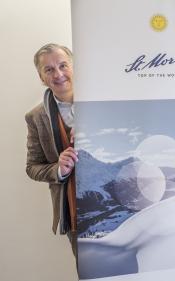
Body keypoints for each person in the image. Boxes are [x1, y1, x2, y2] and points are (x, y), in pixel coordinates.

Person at [25, 43, 78, 255]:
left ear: (74, 67)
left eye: (63, 65)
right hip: (72, 209)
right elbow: (32, 167)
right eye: (49, 69)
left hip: (115, 197)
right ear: (41, 77)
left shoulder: (102, 103)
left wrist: (96, 125)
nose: (58, 74)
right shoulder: (35, 117)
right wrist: (58, 170)